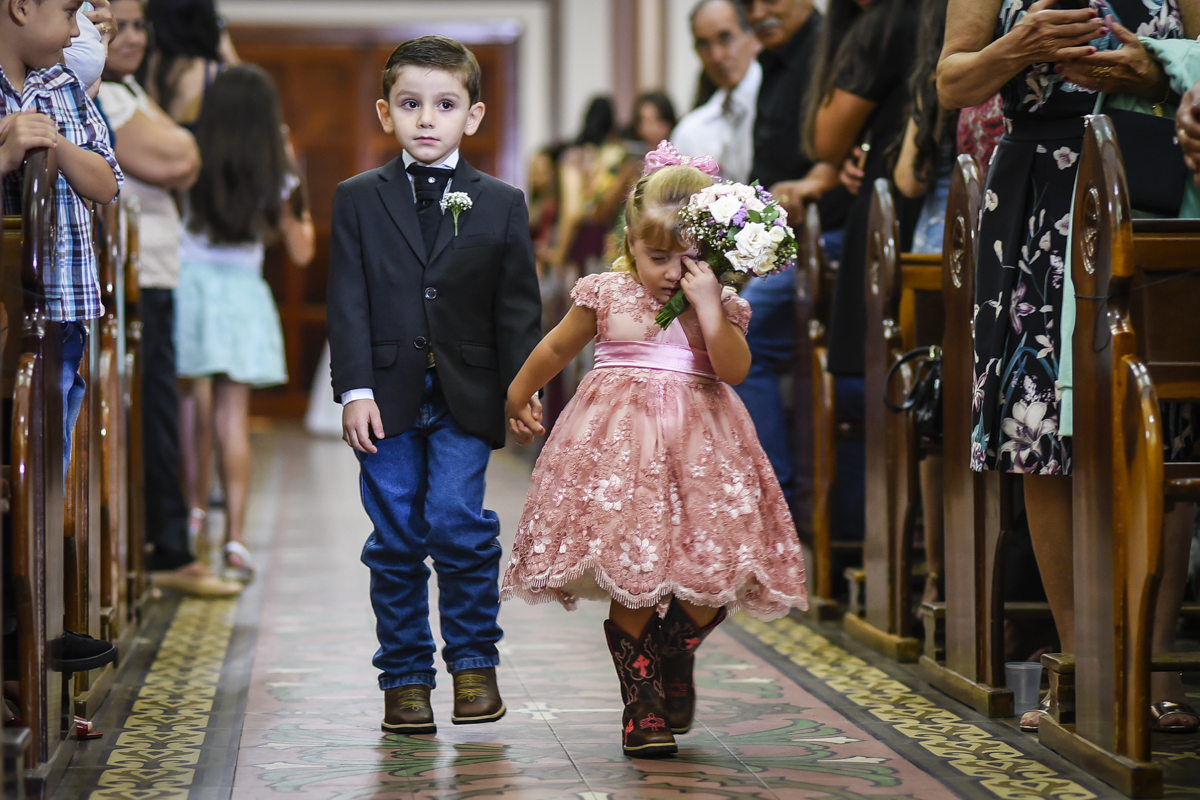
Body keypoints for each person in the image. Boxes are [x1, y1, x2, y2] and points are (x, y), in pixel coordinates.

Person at [939, 0, 1200, 733]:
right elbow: (953, 83)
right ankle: (1079, 666)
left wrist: (1161, 70)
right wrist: (1017, 47)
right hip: (1040, 191)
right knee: (1040, 423)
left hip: (1153, 174)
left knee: (1166, 421)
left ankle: (1156, 666)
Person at [501, 156, 808, 758]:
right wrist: (518, 391)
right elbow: (556, 347)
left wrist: (710, 307)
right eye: (658, 257)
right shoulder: (606, 293)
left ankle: (672, 654)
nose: (671, 273)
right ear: (631, 247)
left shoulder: (718, 303)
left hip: (701, 456)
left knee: (709, 575)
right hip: (620, 456)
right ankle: (641, 704)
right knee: (633, 573)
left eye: (687, 259)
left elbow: (735, 370)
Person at [327, 35, 542, 735]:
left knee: (457, 523)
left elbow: (516, 307)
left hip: (466, 394)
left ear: (472, 116)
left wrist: (522, 388)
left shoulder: (501, 202)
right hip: (383, 397)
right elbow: (347, 300)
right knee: (394, 536)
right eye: (410, 104)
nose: (427, 119)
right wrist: (354, 390)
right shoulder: (357, 198)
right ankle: (406, 679)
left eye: (445, 105)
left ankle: (474, 663)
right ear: (385, 112)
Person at [96, 0, 240, 596]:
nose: (130, 37)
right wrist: (180, 147)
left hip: (156, 269)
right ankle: (167, 549)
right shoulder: (105, 94)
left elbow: (185, 158)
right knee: (153, 415)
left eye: (138, 26)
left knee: (160, 410)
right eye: (118, 26)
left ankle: (168, 545)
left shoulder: (131, 88)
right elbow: (180, 155)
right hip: (132, 276)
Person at [174, 65, 314, 582]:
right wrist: (294, 182)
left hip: (190, 288)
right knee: (233, 422)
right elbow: (302, 250)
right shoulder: (274, 167)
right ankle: (235, 540)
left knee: (190, 411)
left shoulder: (186, 151)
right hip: (242, 293)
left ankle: (190, 519)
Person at [0, 0, 122, 480]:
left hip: (61, 304)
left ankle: (46, 522)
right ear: (21, 8)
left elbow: (106, 183)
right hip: (7, 308)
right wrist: (7, 154)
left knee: (50, 459)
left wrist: (55, 141)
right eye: (69, 13)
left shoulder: (63, 85)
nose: (76, 32)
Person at [671, 0, 762, 184]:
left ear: (753, 37)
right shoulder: (690, 131)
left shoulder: (786, 104)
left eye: (725, 39)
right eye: (704, 45)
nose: (716, 56)